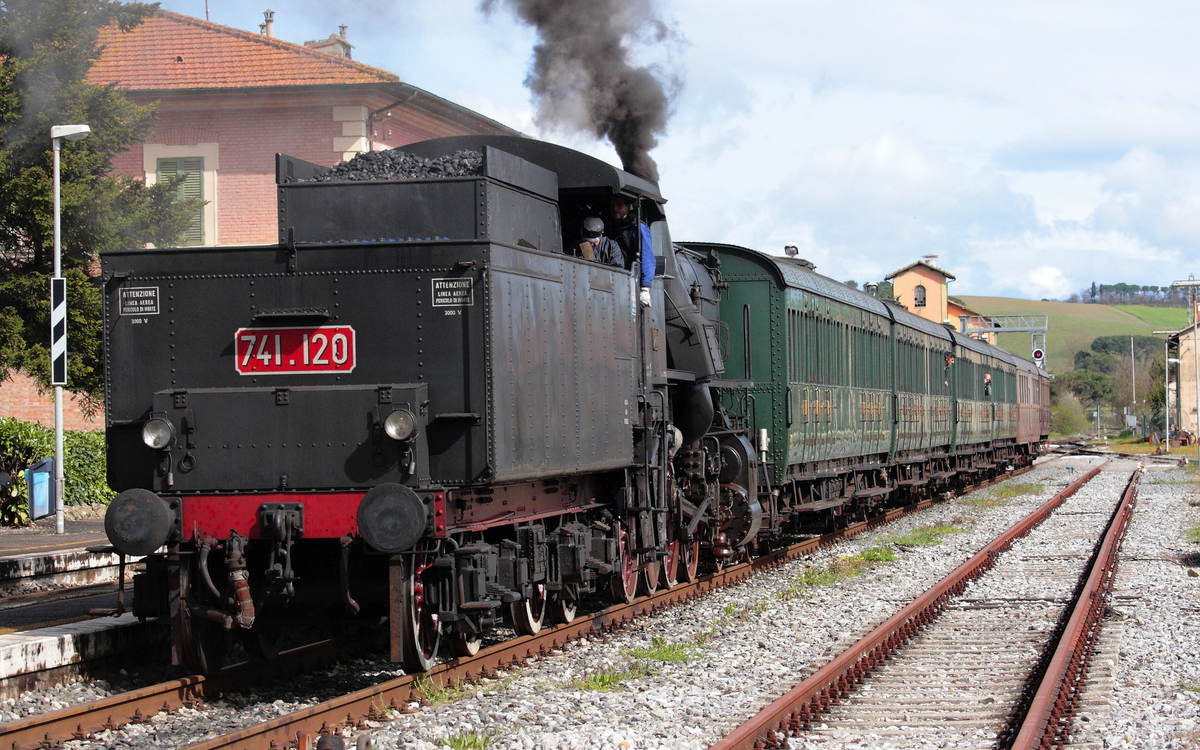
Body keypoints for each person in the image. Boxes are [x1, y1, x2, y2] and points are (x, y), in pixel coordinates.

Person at [606, 194, 655, 307]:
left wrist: (645, 288)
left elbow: (647, 256)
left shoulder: (638, 228)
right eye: (612, 205)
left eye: (619, 205)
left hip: (630, 279)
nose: (615, 209)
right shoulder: (611, 227)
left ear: (628, 206)